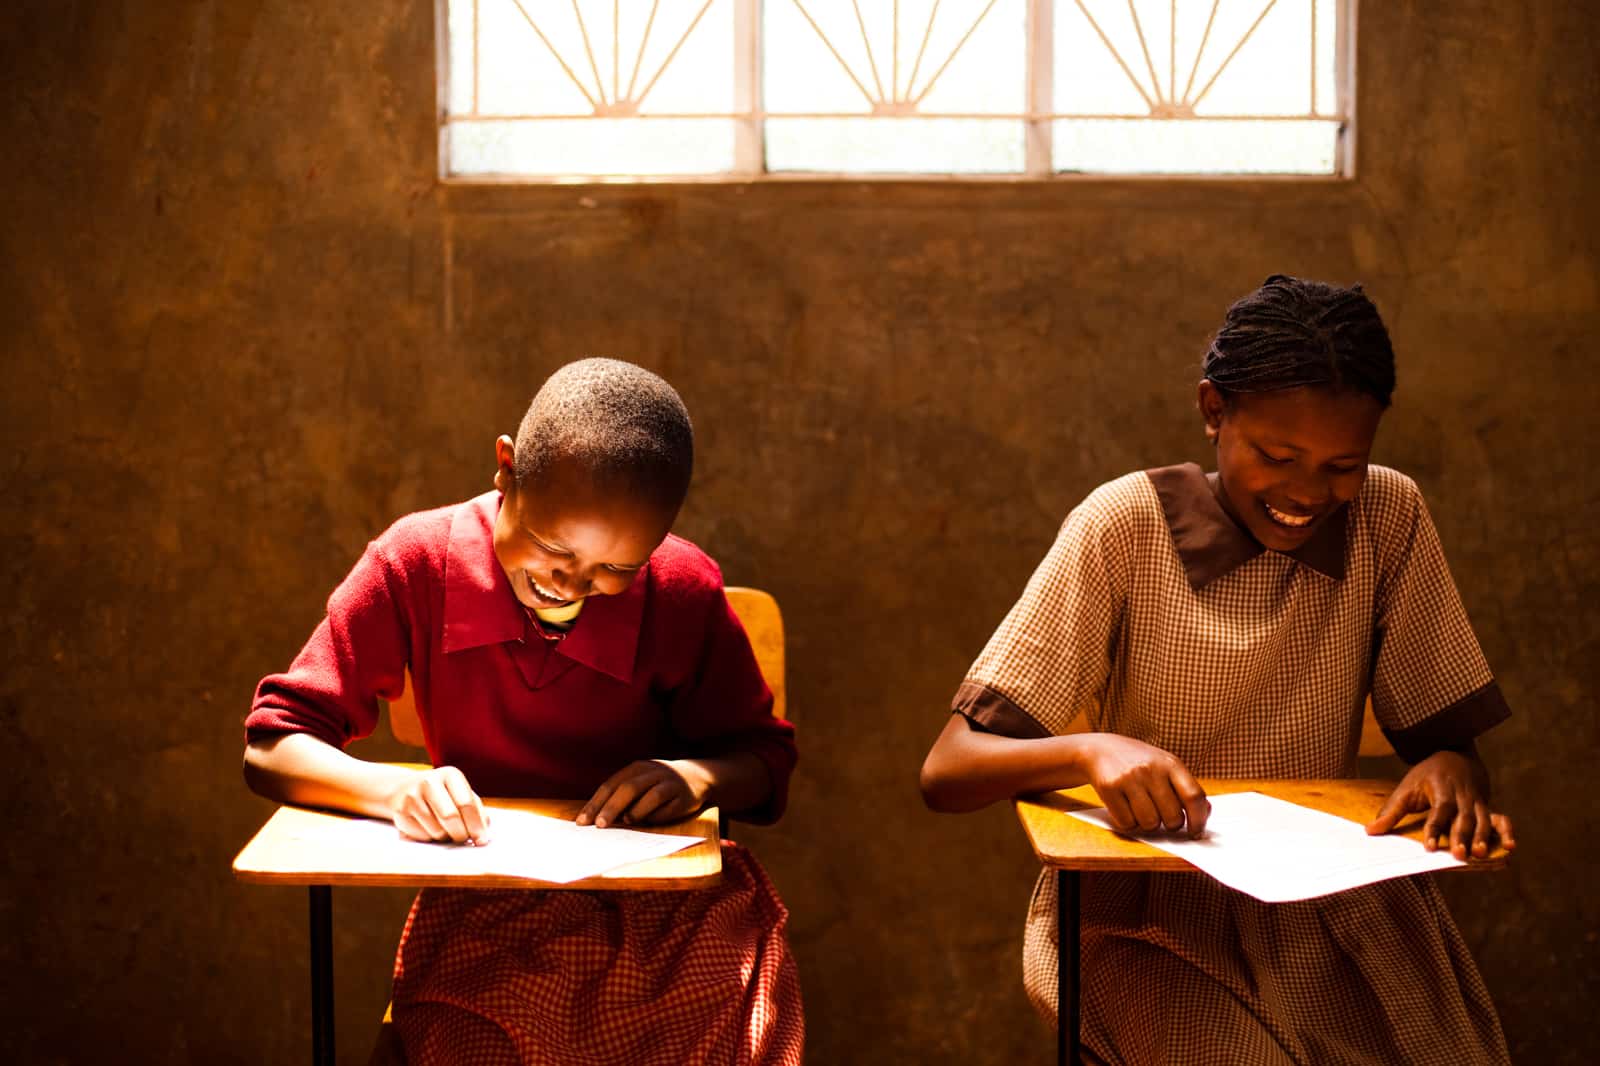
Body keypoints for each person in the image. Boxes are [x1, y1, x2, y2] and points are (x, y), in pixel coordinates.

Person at [920, 276, 1515, 1064]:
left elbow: (1447, 747)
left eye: (1344, 464)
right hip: (1145, 916)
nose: (1309, 492)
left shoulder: (1388, 514)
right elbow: (947, 770)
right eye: (1277, 455)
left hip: (1333, 911)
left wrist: (1451, 767)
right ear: (1212, 411)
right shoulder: (1123, 526)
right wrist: (1090, 748)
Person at [244, 358, 803, 1065]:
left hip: (669, 918)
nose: (571, 584)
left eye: (615, 571)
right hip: (489, 903)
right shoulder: (417, 564)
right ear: (506, 468)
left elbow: (766, 761)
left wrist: (697, 778)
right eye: (552, 549)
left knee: (727, 1020)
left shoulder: (682, 589)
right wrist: (394, 789)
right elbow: (272, 744)